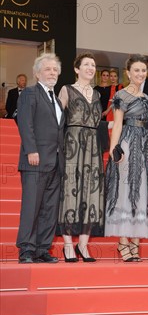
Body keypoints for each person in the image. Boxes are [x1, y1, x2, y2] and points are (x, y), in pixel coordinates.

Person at [105, 55, 148, 261]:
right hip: (128, 142)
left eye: (143, 71)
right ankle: (123, 242)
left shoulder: (146, 97)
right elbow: (118, 124)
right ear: (128, 73)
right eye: (136, 70)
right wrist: (114, 149)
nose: (140, 74)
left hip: (145, 145)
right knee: (126, 191)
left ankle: (136, 242)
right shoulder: (121, 94)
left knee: (143, 190)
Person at [16, 55, 64, 263]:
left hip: (55, 162)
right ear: (37, 74)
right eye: (47, 69)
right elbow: (25, 124)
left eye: (55, 70)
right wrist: (31, 150)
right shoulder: (29, 93)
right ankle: (26, 249)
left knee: (49, 207)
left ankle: (42, 249)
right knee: (31, 206)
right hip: (35, 160)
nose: (52, 73)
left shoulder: (57, 100)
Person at [58, 52, 104, 262]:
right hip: (72, 144)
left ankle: (83, 245)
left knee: (91, 193)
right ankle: (68, 245)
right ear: (76, 69)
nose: (90, 68)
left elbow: (99, 123)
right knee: (70, 191)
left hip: (93, 147)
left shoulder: (97, 95)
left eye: (93, 65)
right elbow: (57, 120)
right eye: (86, 64)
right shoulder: (67, 90)